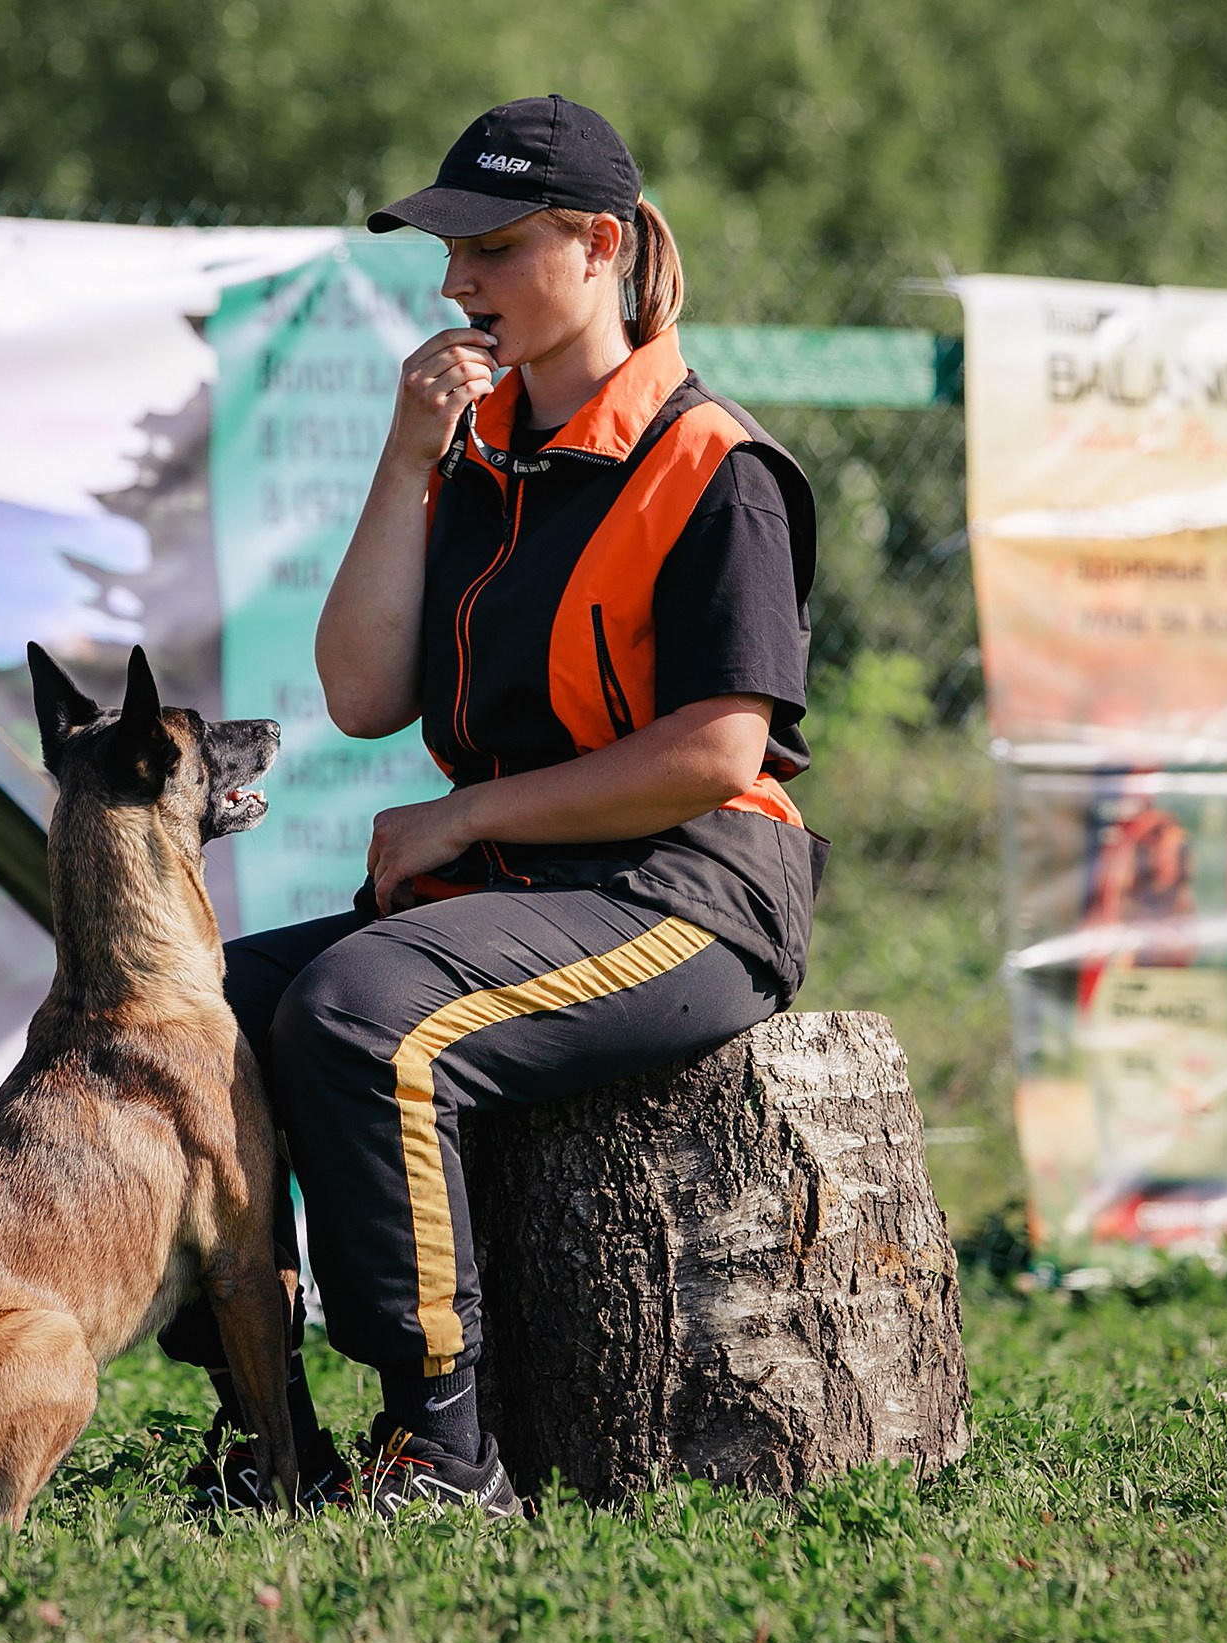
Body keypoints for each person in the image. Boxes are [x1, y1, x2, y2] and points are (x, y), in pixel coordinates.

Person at [158, 94, 825, 1516]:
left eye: (494, 248)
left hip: (692, 893)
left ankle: (447, 1457)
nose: (457, 283)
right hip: (527, 885)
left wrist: (463, 819)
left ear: (600, 247)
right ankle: (274, 1435)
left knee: (358, 1013)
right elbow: (360, 694)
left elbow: (719, 751)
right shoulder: (470, 450)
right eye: (449, 252)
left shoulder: (718, 469)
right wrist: (406, 457)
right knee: (197, 1014)